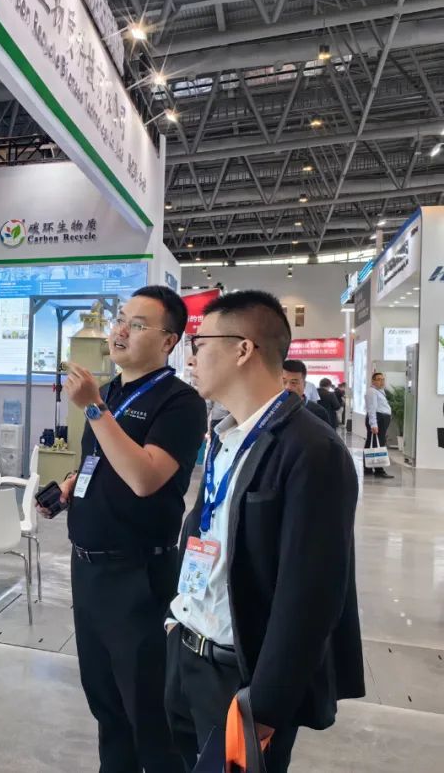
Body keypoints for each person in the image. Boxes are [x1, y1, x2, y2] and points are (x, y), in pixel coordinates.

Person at [166, 290, 363, 773]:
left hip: (241, 678)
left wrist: (266, 706)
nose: (191, 357)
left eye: (199, 343)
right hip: (187, 654)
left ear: (243, 349)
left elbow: (312, 595)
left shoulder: (312, 449)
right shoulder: (224, 436)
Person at [37, 285, 207, 773]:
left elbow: (145, 477)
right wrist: (71, 486)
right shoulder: (111, 391)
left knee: (150, 714)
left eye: (137, 324)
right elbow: (102, 461)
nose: (120, 331)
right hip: (87, 571)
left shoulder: (180, 402)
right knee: (106, 707)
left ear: (169, 340)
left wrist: (94, 409)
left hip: (137, 576)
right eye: (120, 320)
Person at [281, 360, 331, 426]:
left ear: (304, 384)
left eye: (294, 382)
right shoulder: (272, 410)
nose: (288, 387)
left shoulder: (318, 412)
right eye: (283, 382)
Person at [365, 371, 394, 479]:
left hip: (381, 419)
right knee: (379, 444)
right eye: (378, 379)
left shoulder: (380, 391)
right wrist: (374, 424)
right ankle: (379, 469)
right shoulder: (372, 391)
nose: (381, 381)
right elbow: (371, 408)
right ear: (373, 381)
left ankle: (368, 467)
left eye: (383, 379)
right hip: (378, 419)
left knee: (373, 443)